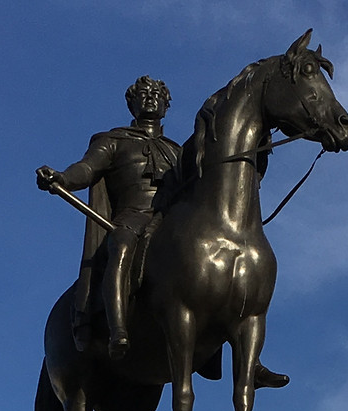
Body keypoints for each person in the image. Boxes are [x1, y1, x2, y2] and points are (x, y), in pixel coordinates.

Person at [37, 77, 287, 385]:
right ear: (132, 103)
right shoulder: (114, 140)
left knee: (210, 268)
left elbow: (212, 178)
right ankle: (118, 329)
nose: (151, 98)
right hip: (131, 217)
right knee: (122, 245)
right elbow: (87, 169)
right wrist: (62, 177)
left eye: (157, 95)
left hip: (172, 222)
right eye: (143, 94)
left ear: (167, 105)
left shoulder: (177, 153)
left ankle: (241, 355)